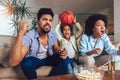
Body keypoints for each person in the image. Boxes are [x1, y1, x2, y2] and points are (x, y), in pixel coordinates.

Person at [10, 8, 70, 80]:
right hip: (34, 59)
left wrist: (61, 52)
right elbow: (13, 62)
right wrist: (20, 33)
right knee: (26, 64)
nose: (48, 22)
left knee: (66, 59)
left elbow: (56, 48)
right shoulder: (29, 36)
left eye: (50, 20)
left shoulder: (53, 33)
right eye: (44, 19)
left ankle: (50, 78)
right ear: (37, 21)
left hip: (48, 58)